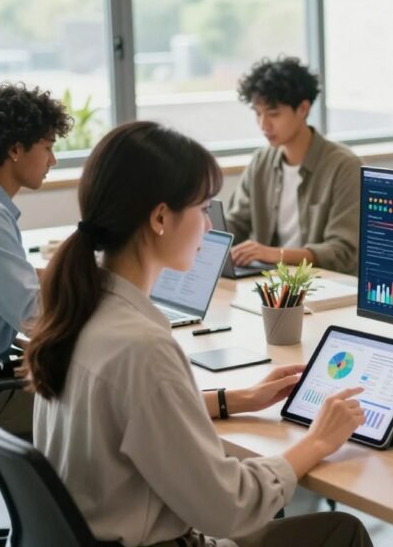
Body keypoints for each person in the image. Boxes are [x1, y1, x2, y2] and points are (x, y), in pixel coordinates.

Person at [26, 121, 372, 547]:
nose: (209, 227)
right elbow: (230, 507)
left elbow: (132, 414)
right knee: (341, 532)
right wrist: (318, 441)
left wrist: (236, 399)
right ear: (160, 217)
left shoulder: (80, 308)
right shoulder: (141, 347)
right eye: (203, 208)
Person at [226, 57, 360, 274]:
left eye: (273, 114)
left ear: (303, 109)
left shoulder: (345, 167)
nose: (263, 124)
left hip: (324, 285)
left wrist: (274, 254)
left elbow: (343, 252)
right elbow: (236, 223)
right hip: (270, 283)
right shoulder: (261, 161)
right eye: (258, 114)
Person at [0, 82, 71, 439]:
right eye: (48, 147)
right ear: (15, 148)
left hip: (0, 372)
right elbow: (36, 318)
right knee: (105, 405)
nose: (53, 160)